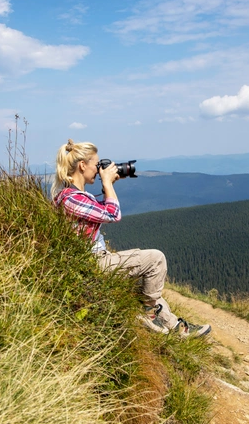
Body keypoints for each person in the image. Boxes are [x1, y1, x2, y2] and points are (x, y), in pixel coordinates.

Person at [51, 139, 211, 337]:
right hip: (92, 263)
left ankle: (178, 329)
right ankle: (148, 313)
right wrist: (108, 183)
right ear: (83, 165)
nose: (99, 169)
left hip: (93, 261)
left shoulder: (76, 196)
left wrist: (107, 187)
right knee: (156, 258)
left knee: (147, 288)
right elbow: (112, 214)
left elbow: (98, 209)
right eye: (96, 164)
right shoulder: (69, 198)